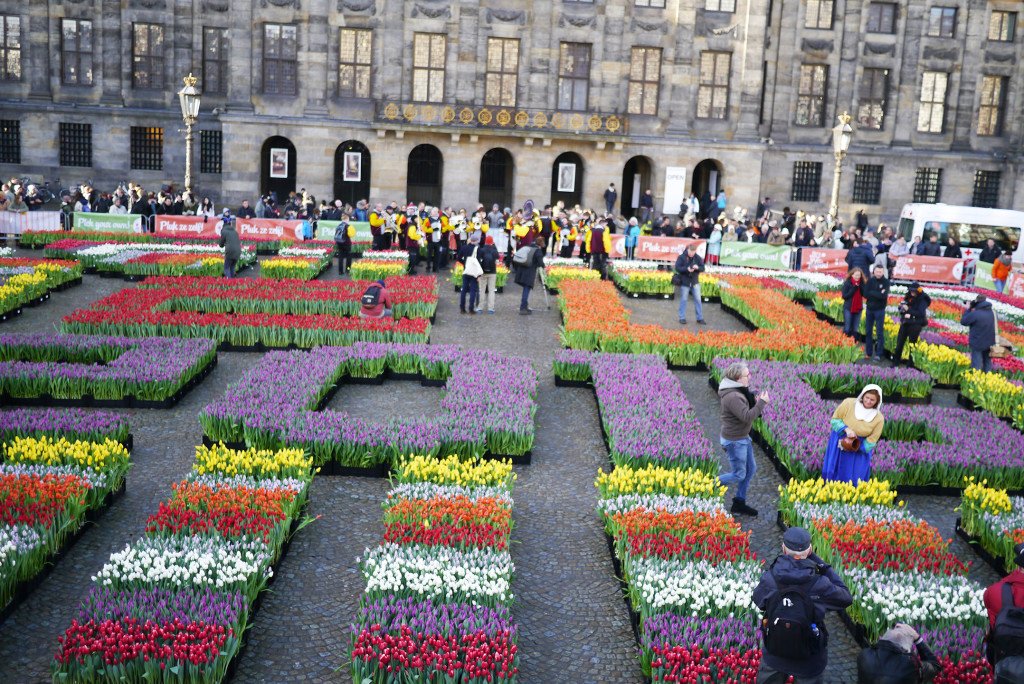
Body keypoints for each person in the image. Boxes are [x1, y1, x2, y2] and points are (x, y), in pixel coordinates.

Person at [753, 526, 853, 684]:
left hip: (775, 653)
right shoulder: (820, 583)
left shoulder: (770, 578)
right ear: (810, 550)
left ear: (783, 549)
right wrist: (821, 564)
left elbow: (758, 600)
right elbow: (846, 597)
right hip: (809, 658)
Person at [717, 362, 768, 516]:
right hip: (734, 441)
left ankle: (739, 502)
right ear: (738, 379)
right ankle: (707, 484)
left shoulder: (738, 390)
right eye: (747, 375)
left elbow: (746, 410)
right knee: (739, 474)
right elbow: (747, 417)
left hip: (742, 437)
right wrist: (762, 403)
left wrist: (754, 400)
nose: (750, 377)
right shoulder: (733, 396)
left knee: (750, 469)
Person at [822, 385, 884, 484]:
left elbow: (872, 439)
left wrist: (856, 447)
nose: (868, 401)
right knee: (834, 471)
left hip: (858, 449)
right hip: (840, 441)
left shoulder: (879, 418)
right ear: (863, 395)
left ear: (877, 401)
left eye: (872, 400)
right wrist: (846, 430)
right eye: (867, 397)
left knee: (855, 477)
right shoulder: (849, 403)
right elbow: (835, 420)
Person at [857, 623, 940, 684]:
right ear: (905, 648)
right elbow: (935, 666)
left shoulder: (864, 655)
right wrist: (916, 637)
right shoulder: (910, 666)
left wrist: (896, 633)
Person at [893, 283, 931, 367]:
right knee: (899, 344)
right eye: (911, 291)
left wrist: (909, 310)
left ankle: (910, 365)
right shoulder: (909, 296)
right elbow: (904, 308)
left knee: (912, 345)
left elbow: (920, 313)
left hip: (915, 324)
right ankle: (895, 362)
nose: (912, 293)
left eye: (914, 292)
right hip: (905, 323)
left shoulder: (923, 299)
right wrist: (901, 308)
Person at [961, 294, 997, 372]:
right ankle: (987, 380)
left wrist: (968, 309)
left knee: (976, 365)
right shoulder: (991, 312)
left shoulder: (975, 314)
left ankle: (976, 381)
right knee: (987, 363)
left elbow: (964, 321)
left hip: (978, 342)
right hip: (989, 342)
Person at [674, 242, 706, 325]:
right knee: (684, 300)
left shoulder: (698, 257)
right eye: (690, 252)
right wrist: (686, 269)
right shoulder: (681, 257)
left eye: (693, 252)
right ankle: (682, 317)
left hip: (695, 282)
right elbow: (677, 268)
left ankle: (700, 318)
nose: (692, 254)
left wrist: (697, 267)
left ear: (695, 251)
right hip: (685, 282)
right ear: (688, 250)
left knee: (698, 300)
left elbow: (703, 268)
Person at [863, 264, 890, 361]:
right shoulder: (870, 281)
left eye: (880, 271)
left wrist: (872, 293)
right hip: (870, 309)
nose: (879, 273)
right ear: (874, 271)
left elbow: (883, 296)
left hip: (880, 310)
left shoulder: (886, 282)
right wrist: (878, 293)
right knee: (868, 331)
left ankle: (878, 354)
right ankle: (868, 353)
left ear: (883, 272)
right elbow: (865, 294)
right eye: (877, 271)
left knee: (879, 332)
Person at [514, 236, 545, 315]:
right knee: (526, 289)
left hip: (522, 270)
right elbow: (541, 263)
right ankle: (523, 308)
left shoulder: (529, 246)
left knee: (525, 289)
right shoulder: (538, 251)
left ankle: (525, 306)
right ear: (541, 244)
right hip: (529, 272)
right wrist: (544, 267)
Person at [457, 233, 482, 315]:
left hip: (466, 270)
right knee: (473, 290)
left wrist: (464, 263)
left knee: (464, 290)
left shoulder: (464, 247)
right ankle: (471, 309)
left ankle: (462, 308)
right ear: (476, 241)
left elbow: (458, 258)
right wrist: (479, 275)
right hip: (474, 272)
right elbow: (479, 262)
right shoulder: (478, 249)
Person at [476, 234, 500, 314]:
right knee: (491, 290)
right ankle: (491, 308)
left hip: (483, 272)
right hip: (492, 272)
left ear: (485, 242)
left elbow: (478, 260)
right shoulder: (494, 250)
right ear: (492, 242)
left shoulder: (481, 250)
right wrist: (494, 246)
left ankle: (480, 307)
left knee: (482, 290)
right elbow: (498, 257)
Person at [841, 268, 866, 338]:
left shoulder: (862, 283)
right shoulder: (847, 283)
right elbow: (844, 296)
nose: (857, 277)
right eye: (856, 275)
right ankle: (844, 342)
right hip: (848, 308)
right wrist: (853, 289)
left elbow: (865, 295)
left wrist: (861, 288)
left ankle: (852, 344)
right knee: (847, 328)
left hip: (858, 309)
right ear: (852, 275)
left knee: (855, 329)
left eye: (859, 275)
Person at [218, 213, 241, 278]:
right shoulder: (235, 231)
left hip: (230, 251)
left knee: (226, 268)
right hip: (238, 251)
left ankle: (229, 283)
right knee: (232, 267)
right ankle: (233, 284)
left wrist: (221, 244)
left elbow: (221, 243)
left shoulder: (224, 231)